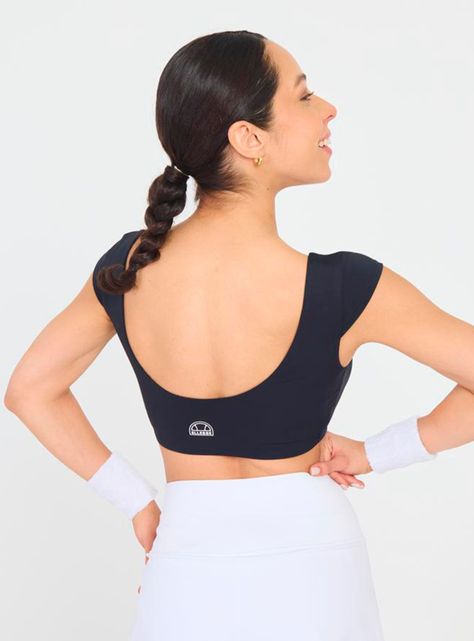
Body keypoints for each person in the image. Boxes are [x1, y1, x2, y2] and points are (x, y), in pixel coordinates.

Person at [4, 30, 474, 641]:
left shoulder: (129, 269)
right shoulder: (347, 286)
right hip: (315, 564)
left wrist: (138, 501)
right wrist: (378, 452)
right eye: (304, 96)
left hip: (185, 558)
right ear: (249, 138)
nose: (329, 108)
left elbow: (30, 390)